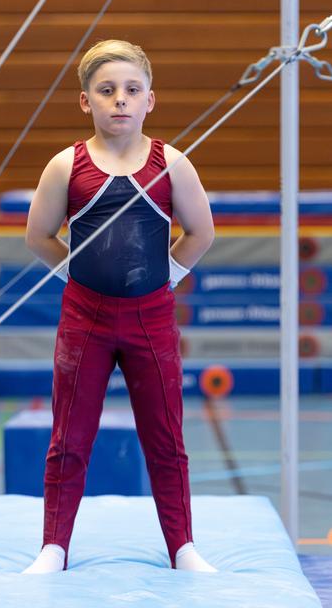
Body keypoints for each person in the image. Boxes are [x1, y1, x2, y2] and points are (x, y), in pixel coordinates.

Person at [24, 39, 216, 574]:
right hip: (83, 317)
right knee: (69, 438)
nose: (120, 101)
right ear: (85, 101)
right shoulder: (66, 165)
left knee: (166, 438)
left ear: (150, 100)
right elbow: (38, 235)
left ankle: (183, 547)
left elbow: (201, 232)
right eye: (106, 91)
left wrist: (166, 276)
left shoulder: (172, 163)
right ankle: (53, 547)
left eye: (131, 90)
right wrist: (74, 272)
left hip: (150, 317)